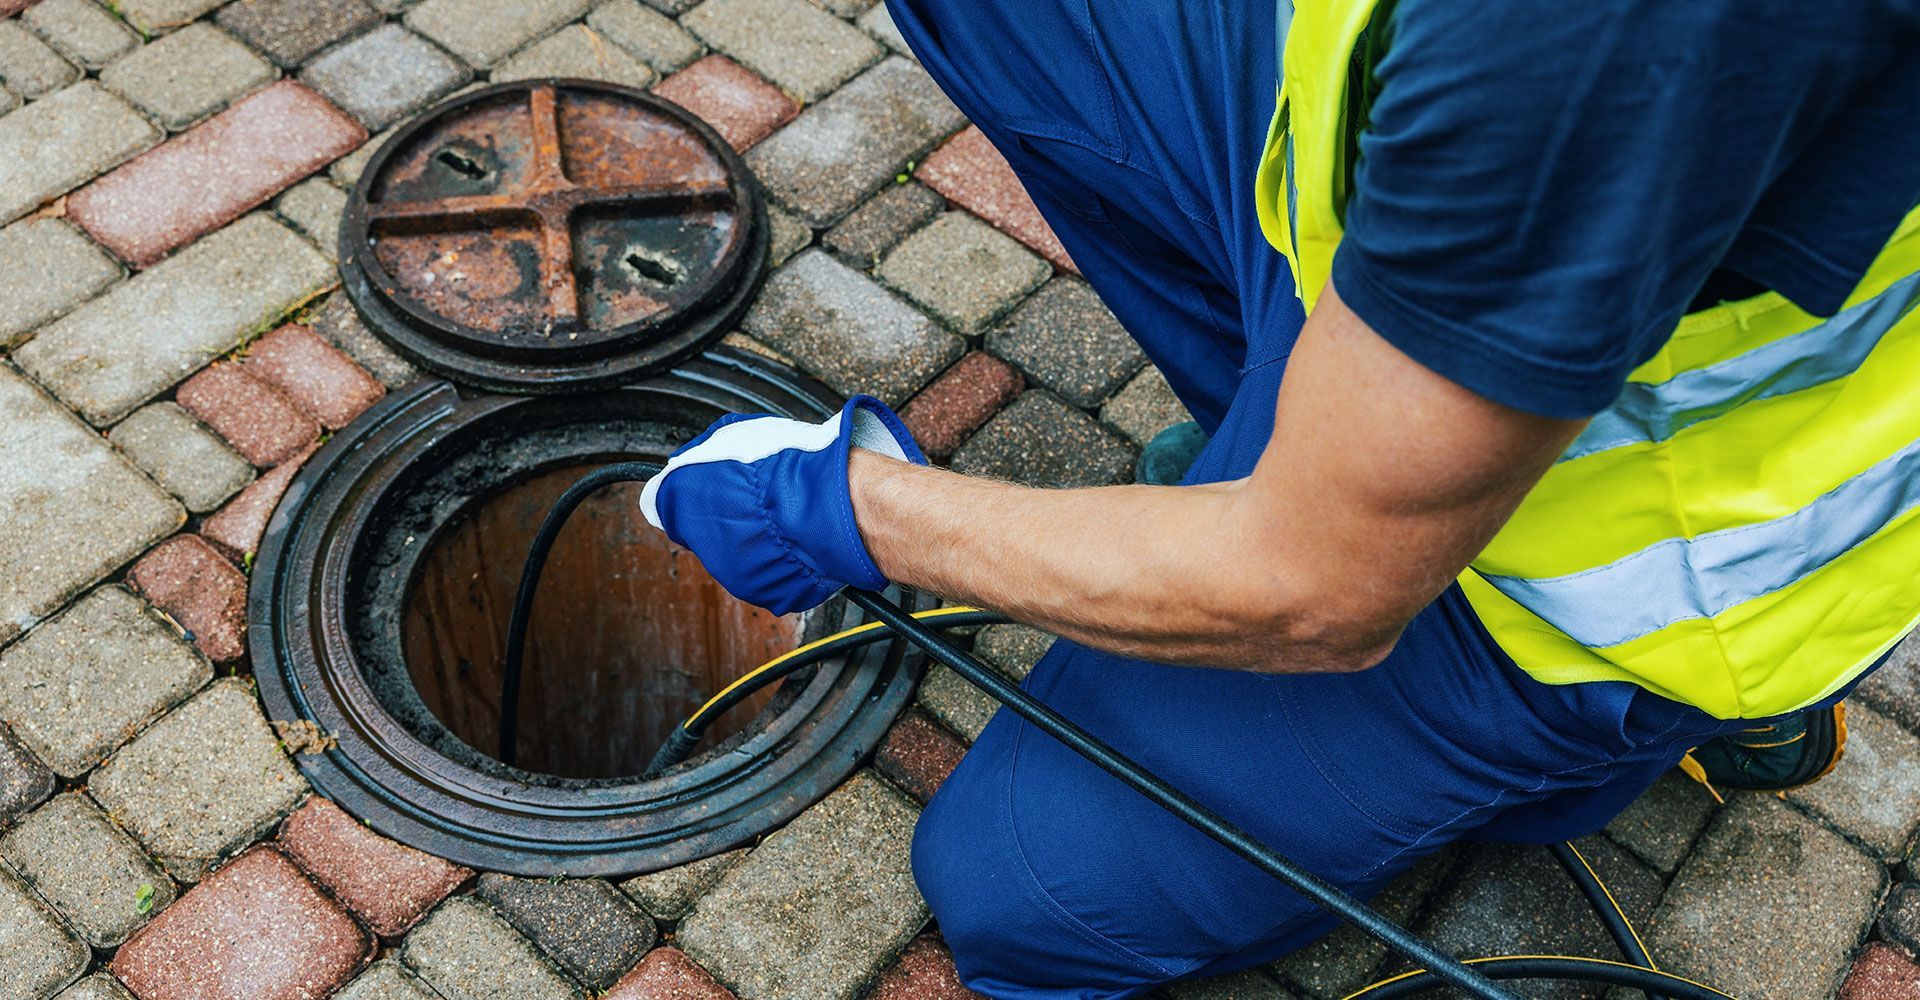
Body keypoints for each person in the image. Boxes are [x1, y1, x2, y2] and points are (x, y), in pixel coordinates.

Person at [640, 0, 1920, 995]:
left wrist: (852, 509)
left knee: (1020, 896)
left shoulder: (1598, 44)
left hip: (1596, 584)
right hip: (1441, 261)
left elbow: (1317, 590)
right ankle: (1327, 429)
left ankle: (1596, 758)